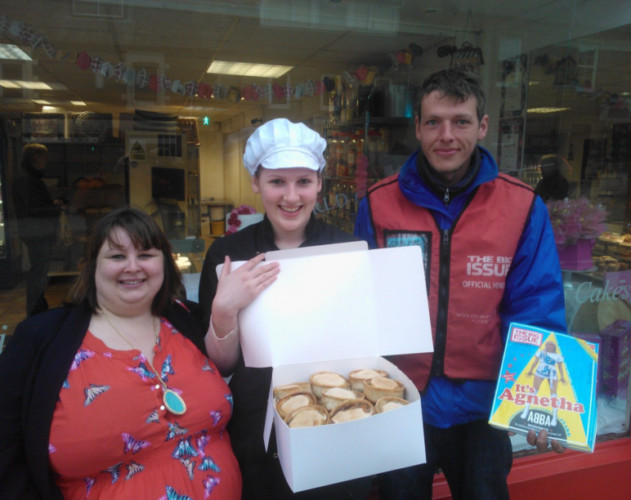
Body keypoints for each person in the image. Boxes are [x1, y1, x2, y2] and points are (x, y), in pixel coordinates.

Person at [354, 68, 568, 500]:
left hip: (483, 407)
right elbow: (360, 305)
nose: (446, 135)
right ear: (417, 128)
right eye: (433, 122)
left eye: (461, 121)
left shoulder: (522, 206)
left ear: (482, 126)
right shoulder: (377, 204)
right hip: (400, 399)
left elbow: (536, 308)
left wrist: (541, 404)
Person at [0, 207, 242, 499]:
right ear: (92, 266)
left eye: (145, 255)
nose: (132, 266)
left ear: (164, 263)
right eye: (117, 256)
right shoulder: (40, 339)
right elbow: (6, 456)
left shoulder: (185, 318)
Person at [198, 118, 370, 499]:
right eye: (277, 182)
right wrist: (223, 312)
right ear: (256, 183)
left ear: (319, 184)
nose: (291, 197)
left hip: (335, 425)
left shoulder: (349, 252)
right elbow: (221, 366)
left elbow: (365, 350)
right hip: (255, 434)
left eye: (303, 182)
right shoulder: (229, 256)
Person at [12, 143, 64, 317]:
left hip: (35, 231)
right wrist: (55, 208)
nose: (46, 162)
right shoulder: (27, 180)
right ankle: (35, 311)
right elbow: (33, 209)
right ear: (36, 159)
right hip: (36, 232)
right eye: (43, 158)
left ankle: (38, 308)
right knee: (38, 274)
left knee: (39, 272)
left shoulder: (28, 178)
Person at [522, 340, 567, 426]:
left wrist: (562, 377)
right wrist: (531, 370)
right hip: (540, 371)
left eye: (551, 345)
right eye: (548, 344)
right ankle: (526, 410)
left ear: (554, 347)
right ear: (546, 345)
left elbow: (560, 367)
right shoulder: (541, 352)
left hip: (552, 373)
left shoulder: (557, 356)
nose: (550, 346)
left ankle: (554, 417)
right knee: (534, 390)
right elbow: (535, 362)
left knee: (554, 395)